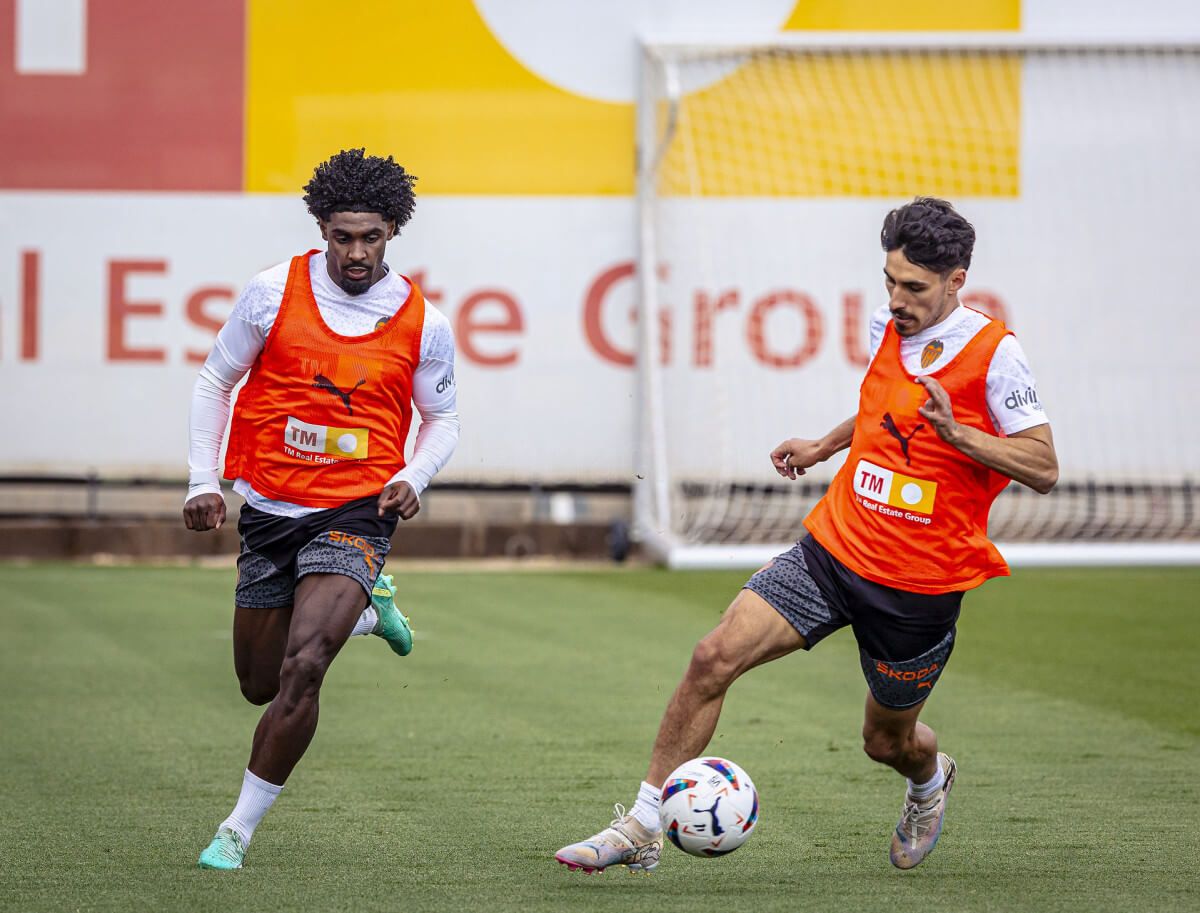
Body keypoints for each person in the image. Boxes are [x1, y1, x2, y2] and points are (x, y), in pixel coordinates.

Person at [555, 197, 1058, 873]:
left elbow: (1044, 465)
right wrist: (824, 444)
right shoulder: (889, 324)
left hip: (918, 587)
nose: (897, 298)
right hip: (835, 548)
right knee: (713, 656)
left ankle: (928, 780)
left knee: (886, 740)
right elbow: (882, 411)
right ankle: (643, 824)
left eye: (914, 286)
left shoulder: (996, 354)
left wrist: (959, 434)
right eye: (889, 279)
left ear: (956, 279)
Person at [183, 148, 459, 870]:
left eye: (370, 236)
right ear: (321, 228)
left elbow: (443, 420)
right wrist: (200, 480)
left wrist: (416, 475)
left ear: (393, 230)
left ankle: (235, 830)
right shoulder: (271, 294)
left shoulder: (423, 321)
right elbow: (216, 379)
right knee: (259, 683)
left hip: (358, 510)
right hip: (271, 509)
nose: (357, 252)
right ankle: (370, 611)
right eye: (343, 237)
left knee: (306, 665)